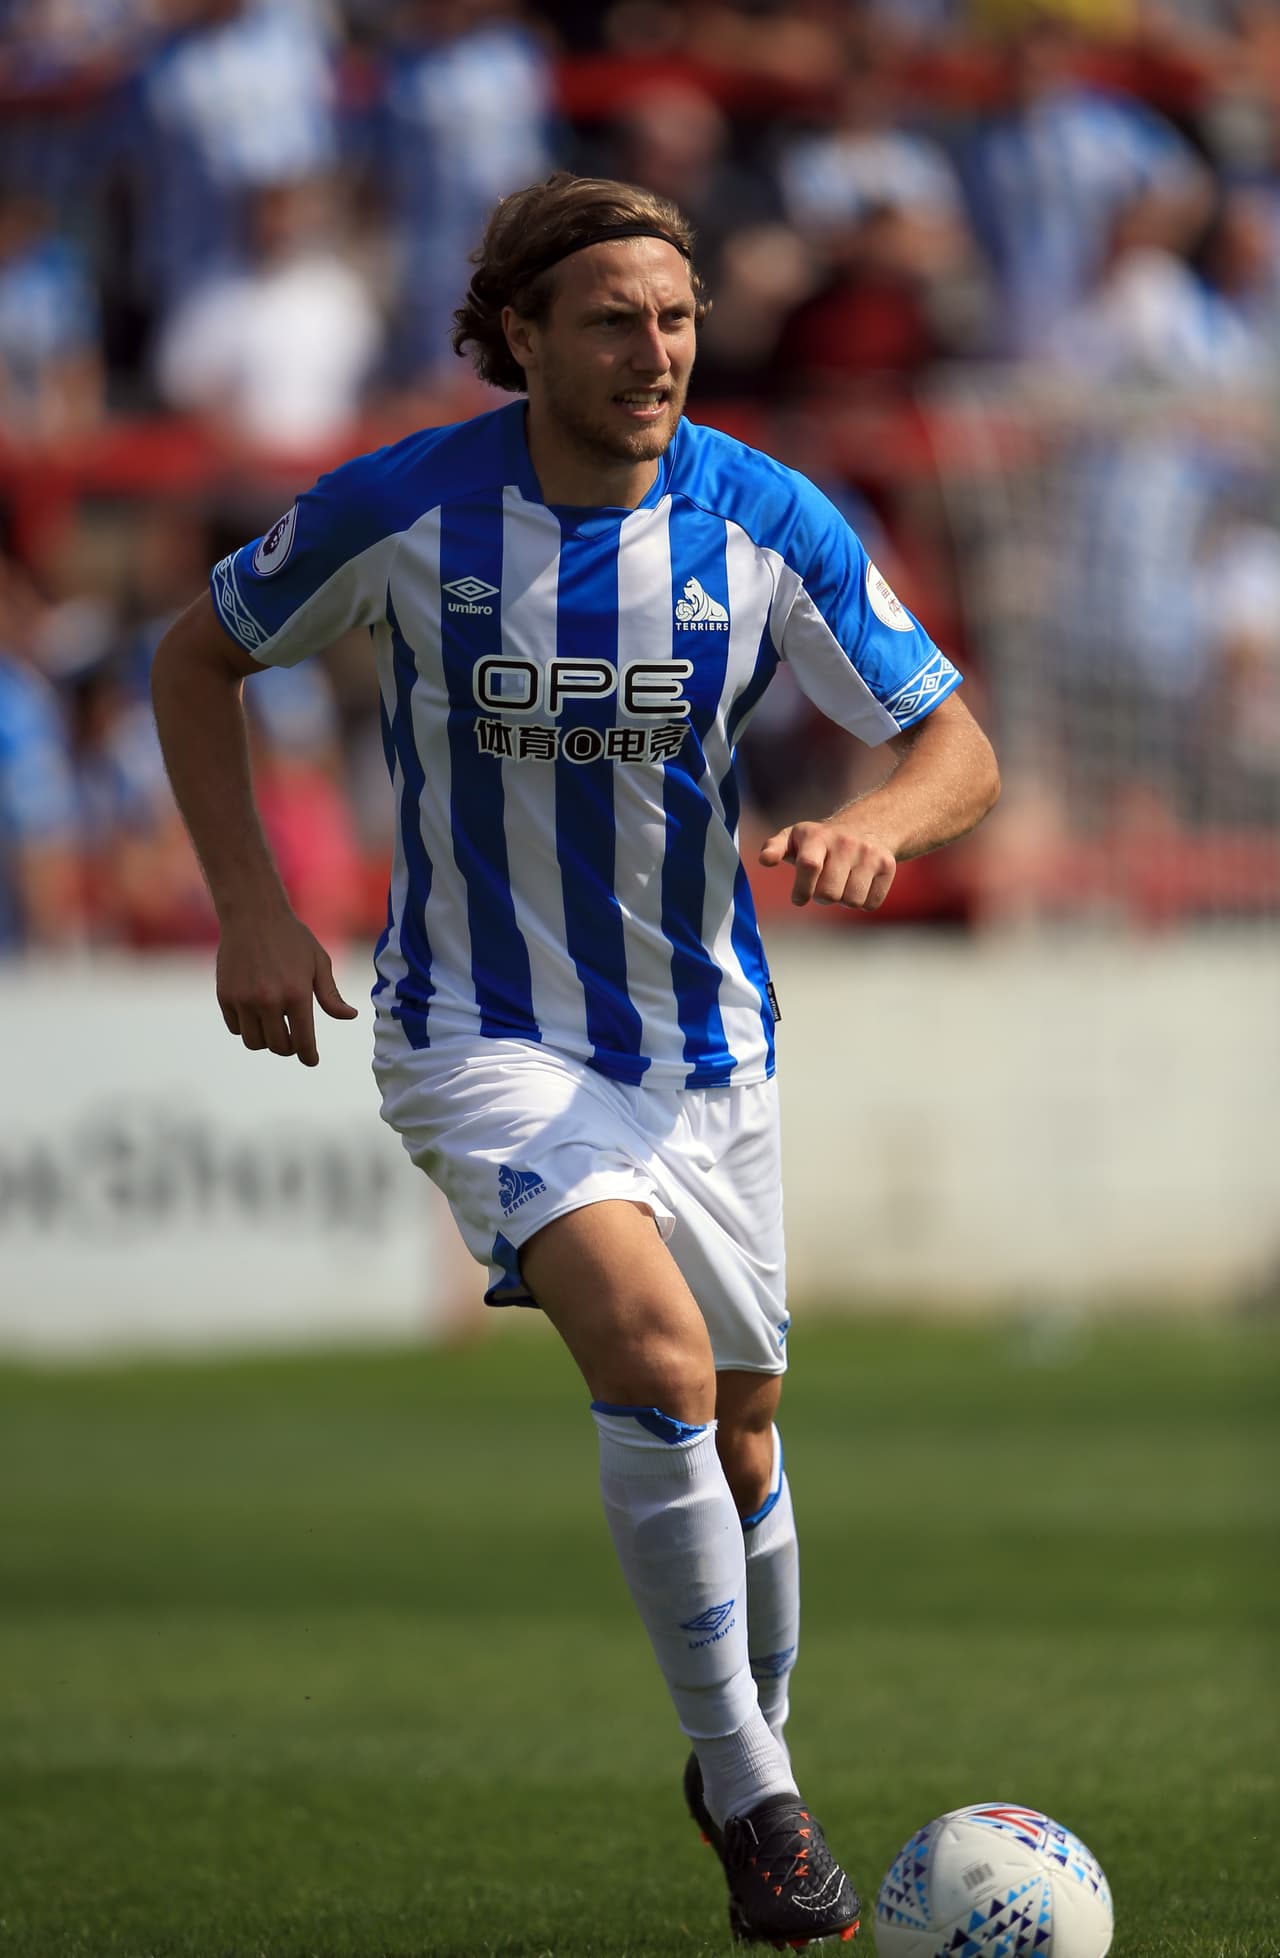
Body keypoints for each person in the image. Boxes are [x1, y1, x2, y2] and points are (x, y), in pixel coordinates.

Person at [150, 171, 1000, 1947]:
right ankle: (762, 1802)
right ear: (519, 333)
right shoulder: (405, 509)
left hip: (709, 1044)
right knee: (657, 1348)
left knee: (747, 1424)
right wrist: (249, 902)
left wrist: (886, 826)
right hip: (481, 1030)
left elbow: (953, 747)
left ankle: (737, 1753)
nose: (656, 350)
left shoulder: (764, 518)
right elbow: (193, 655)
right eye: (613, 318)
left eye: (677, 317)